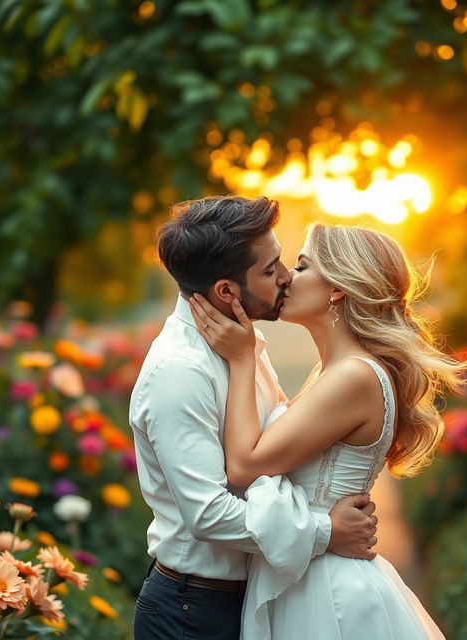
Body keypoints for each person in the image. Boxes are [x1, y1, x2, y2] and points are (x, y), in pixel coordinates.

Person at [189, 222, 467, 640]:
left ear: (337, 288)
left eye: (302, 266)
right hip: (310, 575)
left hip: (327, 594)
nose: (285, 277)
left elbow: (245, 466)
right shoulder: (331, 372)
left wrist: (242, 358)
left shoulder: (355, 376)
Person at [130, 197, 379, 640]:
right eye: (271, 269)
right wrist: (326, 531)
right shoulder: (180, 371)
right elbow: (208, 513)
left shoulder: (245, 345)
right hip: (194, 610)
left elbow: (276, 449)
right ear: (227, 291)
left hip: (247, 598)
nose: (286, 276)